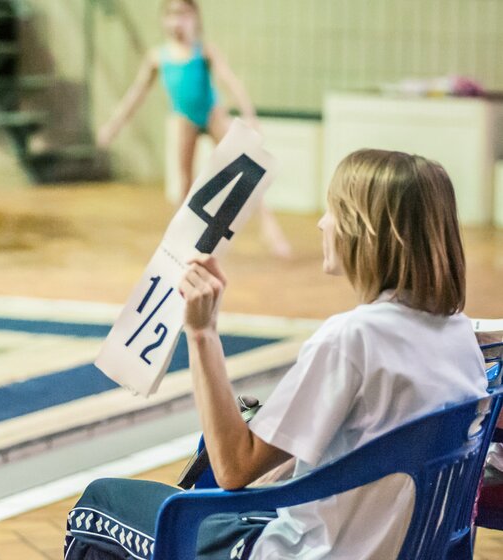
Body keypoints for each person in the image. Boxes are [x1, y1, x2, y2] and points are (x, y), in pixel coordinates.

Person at [63, 149, 489, 559]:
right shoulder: (458, 338)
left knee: (99, 503)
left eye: (333, 210)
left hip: (312, 552)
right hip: (398, 547)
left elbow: (234, 468)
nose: (322, 224)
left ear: (367, 231)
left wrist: (202, 332)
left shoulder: (352, 338)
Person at [97, 0, 291, 258]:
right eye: (171, 14)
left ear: (194, 18)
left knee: (244, 169)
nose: (177, 20)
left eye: (183, 14)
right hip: (184, 119)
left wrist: (249, 115)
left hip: (212, 114)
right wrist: (113, 126)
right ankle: (181, 239)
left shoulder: (204, 51)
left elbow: (229, 80)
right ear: (164, 19)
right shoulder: (158, 57)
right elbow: (135, 95)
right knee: (185, 181)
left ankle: (270, 227)